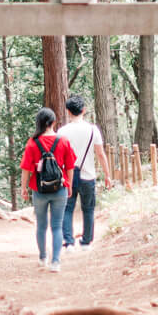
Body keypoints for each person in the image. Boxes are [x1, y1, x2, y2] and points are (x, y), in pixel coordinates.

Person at [19, 106, 77, 272]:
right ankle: (56, 262)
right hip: (60, 188)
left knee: (41, 226)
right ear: (53, 122)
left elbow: (26, 169)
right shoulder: (63, 141)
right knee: (57, 226)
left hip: (39, 190)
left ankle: (43, 257)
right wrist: (70, 185)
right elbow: (70, 166)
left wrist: (24, 188)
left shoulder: (32, 143)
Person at [57, 95, 110, 251]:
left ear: (68, 112)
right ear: (84, 110)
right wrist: (107, 175)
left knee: (67, 208)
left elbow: (59, 157)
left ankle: (68, 242)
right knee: (88, 208)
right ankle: (86, 242)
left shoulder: (62, 131)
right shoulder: (93, 130)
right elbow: (100, 153)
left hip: (68, 175)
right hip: (88, 175)